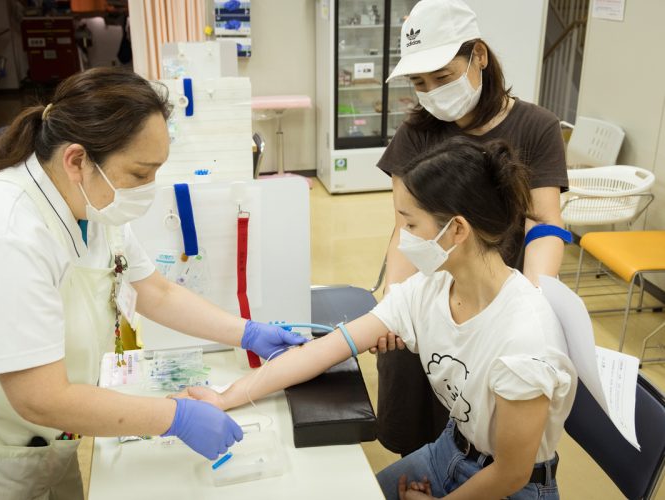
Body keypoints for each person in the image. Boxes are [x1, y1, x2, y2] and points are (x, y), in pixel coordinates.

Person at [0, 67, 306, 499]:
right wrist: (174, 417)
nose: (148, 189)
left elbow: (156, 291)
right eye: (139, 174)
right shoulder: (1, 233)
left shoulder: (90, 204)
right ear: (77, 159)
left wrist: (248, 333)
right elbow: (39, 397)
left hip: (49, 439)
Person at [187, 137, 577, 499]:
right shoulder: (430, 289)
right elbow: (326, 350)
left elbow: (511, 473)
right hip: (451, 449)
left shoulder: (524, 338)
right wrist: (227, 397)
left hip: (513, 487)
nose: (403, 238)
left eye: (410, 224)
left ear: (456, 229)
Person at [373, 0, 571, 458]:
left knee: (487, 436)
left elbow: (543, 222)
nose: (433, 92)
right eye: (420, 84)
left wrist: (536, 303)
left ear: (478, 55)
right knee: (418, 436)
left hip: (492, 304)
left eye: (443, 78)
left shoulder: (535, 127)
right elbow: (406, 229)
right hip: (427, 303)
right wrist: (395, 300)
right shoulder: (416, 133)